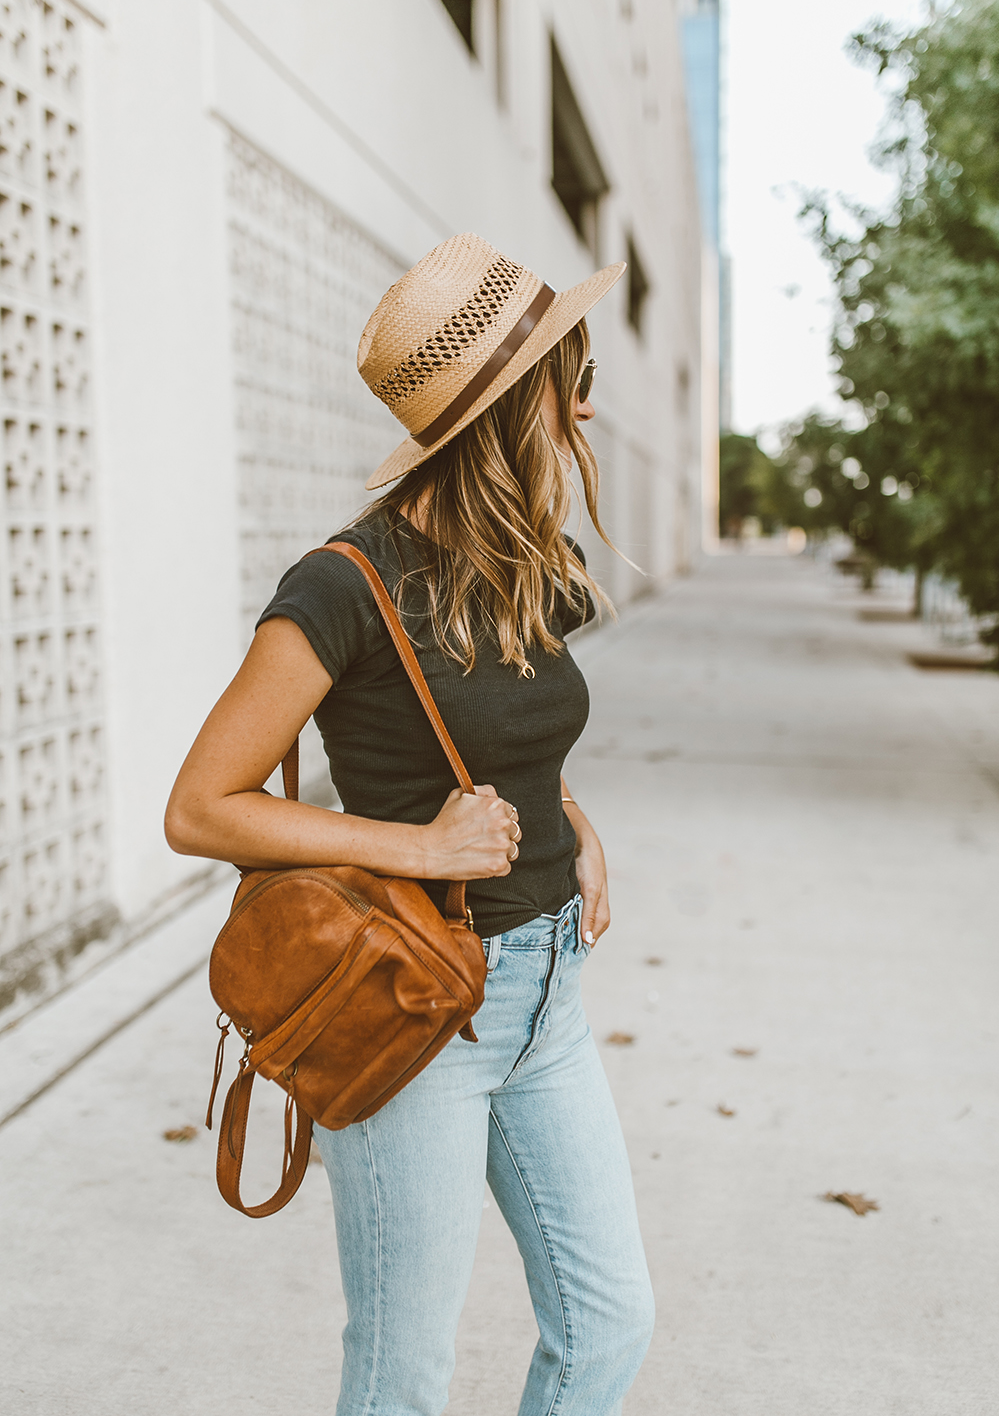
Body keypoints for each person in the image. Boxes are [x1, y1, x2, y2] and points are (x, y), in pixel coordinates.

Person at [166, 233, 654, 1416]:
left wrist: (568, 813)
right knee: (402, 1373)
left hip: (547, 991)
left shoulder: (534, 560)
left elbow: (509, 731)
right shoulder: (342, 586)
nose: (583, 412)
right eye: (566, 382)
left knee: (608, 1326)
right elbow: (200, 807)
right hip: (418, 1011)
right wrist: (417, 849)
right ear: (509, 408)